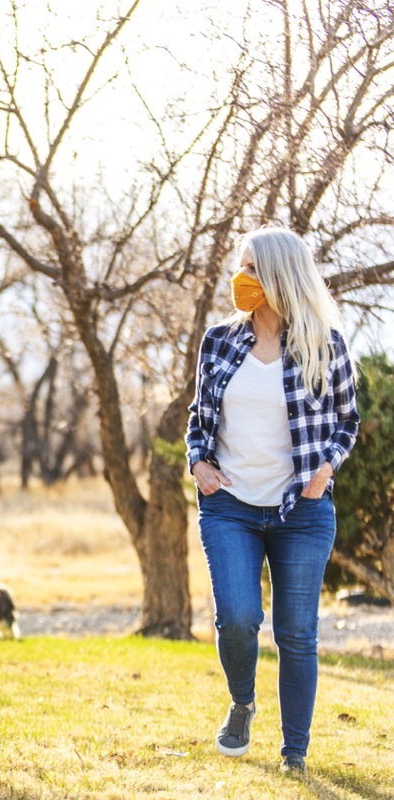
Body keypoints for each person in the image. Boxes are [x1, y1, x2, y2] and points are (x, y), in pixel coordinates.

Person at [186, 226, 359, 776]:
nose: (242, 280)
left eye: (252, 270)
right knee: (237, 618)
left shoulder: (325, 346)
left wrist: (324, 469)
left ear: (281, 277)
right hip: (230, 505)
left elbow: (347, 423)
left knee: (296, 632)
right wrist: (197, 462)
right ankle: (242, 702)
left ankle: (295, 755)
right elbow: (198, 420)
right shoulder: (219, 340)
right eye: (240, 267)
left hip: (301, 511)